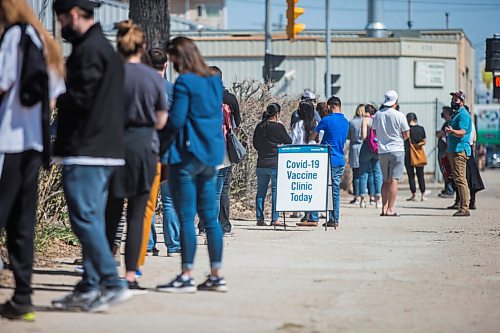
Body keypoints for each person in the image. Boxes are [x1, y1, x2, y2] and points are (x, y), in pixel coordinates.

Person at [51, 0, 130, 312]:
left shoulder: (90, 51)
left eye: (60, 20)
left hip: (87, 150)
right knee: (92, 221)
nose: (60, 28)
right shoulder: (101, 49)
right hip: (103, 149)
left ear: (72, 15)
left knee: (83, 218)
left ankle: (111, 281)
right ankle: (90, 285)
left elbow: (83, 99)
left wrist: (56, 94)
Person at [0, 0, 65, 320]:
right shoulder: (46, 43)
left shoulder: (14, 37)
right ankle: (23, 297)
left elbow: (2, 82)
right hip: (34, 145)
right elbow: (54, 96)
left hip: (7, 141)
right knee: (22, 223)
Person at [156, 36, 227, 293]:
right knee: (211, 219)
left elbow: (176, 120)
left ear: (179, 56)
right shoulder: (213, 81)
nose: (171, 63)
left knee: (186, 216)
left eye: (172, 57)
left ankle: (186, 274)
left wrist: (159, 144)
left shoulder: (185, 81)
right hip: (210, 156)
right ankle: (217, 274)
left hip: (186, 157)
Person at [104, 20, 168, 292]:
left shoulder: (109, 74)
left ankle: (106, 271)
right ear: (142, 47)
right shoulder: (153, 77)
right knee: (137, 214)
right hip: (144, 148)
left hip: (114, 148)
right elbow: (162, 120)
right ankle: (131, 275)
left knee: (111, 213)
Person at [143, 48, 180, 258]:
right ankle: (173, 245)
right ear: (165, 66)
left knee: (147, 200)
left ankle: (148, 244)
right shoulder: (173, 90)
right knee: (169, 201)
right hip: (169, 151)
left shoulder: (140, 88)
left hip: (146, 150)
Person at [197, 65, 241, 236]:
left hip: (203, 150)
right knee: (222, 190)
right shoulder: (229, 98)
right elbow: (237, 125)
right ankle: (223, 225)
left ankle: (204, 224)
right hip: (223, 151)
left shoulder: (200, 97)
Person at [310, 96, 349, 228]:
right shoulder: (345, 121)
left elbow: (313, 136)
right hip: (339, 159)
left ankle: (319, 217)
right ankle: (334, 218)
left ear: (330, 106)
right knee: (335, 190)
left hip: (328, 158)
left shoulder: (326, 120)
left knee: (321, 188)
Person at [372, 90, 410, 217]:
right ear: (396, 101)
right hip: (397, 149)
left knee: (385, 180)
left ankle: (383, 207)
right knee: (394, 180)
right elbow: (406, 135)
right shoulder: (400, 115)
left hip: (382, 151)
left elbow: (375, 132)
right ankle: (390, 209)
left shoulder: (378, 115)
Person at [253, 103, 292, 226]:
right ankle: (275, 218)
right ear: (277, 114)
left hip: (261, 163)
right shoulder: (278, 127)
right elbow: (288, 141)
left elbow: (255, 144)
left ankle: (260, 218)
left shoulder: (259, 126)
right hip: (275, 163)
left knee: (260, 192)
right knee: (276, 191)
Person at [445, 91, 472, 217]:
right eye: (453, 99)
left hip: (460, 150)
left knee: (461, 179)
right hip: (454, 150)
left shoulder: (463, 115)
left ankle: (465, 208)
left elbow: (462, 132)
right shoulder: (456, 114)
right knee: (457, 179)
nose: (453, 102)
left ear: (462, 102)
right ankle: (462, 205)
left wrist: (452, 131)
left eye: (456, 100)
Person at [293, 101, 320, 227]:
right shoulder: (317, 124)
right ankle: (312, 215)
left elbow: (293, 141)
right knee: (314, 186)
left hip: (300, 158)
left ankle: (308, 214)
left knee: (303, 186)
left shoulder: (298, 124)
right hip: (315, 157)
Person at [358, 104, 382, 209]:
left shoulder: (365, 120)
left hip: (367, 147)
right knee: (377, 173)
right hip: (377, 148)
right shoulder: (378, 119)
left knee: (363, 174)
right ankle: (378, 199)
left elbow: (363, 136)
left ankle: (363, 200)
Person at [404, 113, 427, 201]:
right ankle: (423, 195)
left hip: (408, 154)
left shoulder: (407, 129)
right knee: (420, 175)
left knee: (411, 176)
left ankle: (414, 195)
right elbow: (424, 141)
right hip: (419, 154)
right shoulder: (421, 129)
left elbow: (404, 139)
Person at [348, 104, 365, 205]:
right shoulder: (367, 121)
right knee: (365, 173)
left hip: (354, 147)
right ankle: (367, 196)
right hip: (364, 147)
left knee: (356, 174)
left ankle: (356, 196)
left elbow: (348, 136)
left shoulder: (352, 122)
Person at [437, 107, 454, 197]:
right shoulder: (446, 123)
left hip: (445, 151)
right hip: (443, 150)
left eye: (444, 113)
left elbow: (441, 134)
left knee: (446, 170)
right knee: (444, 170)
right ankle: (447, 188)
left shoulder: (448, 123)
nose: (442, 115)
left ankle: (450, 190)